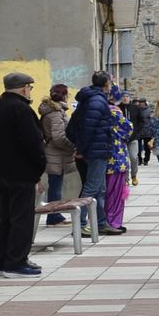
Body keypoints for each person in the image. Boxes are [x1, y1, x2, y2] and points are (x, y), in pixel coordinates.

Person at [0, 71, 46, 279]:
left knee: (6, 218)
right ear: (24, 88)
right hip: (21, 172)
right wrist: (39, 169)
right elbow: (33, 143)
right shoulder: (21, 109)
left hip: (1, 172)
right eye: (30, 87)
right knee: (22, 218)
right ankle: (15, 263)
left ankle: (0, 261)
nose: (30, 92)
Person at [67, 70, 113, 215]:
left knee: (100, 188)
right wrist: (81, 149)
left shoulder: (90, 98)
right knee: (92, 187)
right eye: (110, 82)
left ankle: (100, 222)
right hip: (96, 150)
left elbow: (73, 125)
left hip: (96, 149)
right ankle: (80, 224)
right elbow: (88, 128)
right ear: (106, 83)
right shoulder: (97, 101)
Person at [40, 83, 77, 225]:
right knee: (55, 185)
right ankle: (54, 216)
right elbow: (59, 137)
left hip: (54, 153)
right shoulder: (55, 113)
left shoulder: (53, 111)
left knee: (55, 184)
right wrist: (72, 146)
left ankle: (55, 215)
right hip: (56, 155)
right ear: (64, 95)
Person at [100, 89, 133, 234]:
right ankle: (113, 221)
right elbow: (128, 129)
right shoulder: (115, 112)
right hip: (117, 158)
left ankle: (104, 220)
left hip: (103, 156)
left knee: (104, 191)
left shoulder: (97, 111)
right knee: (115, 193)